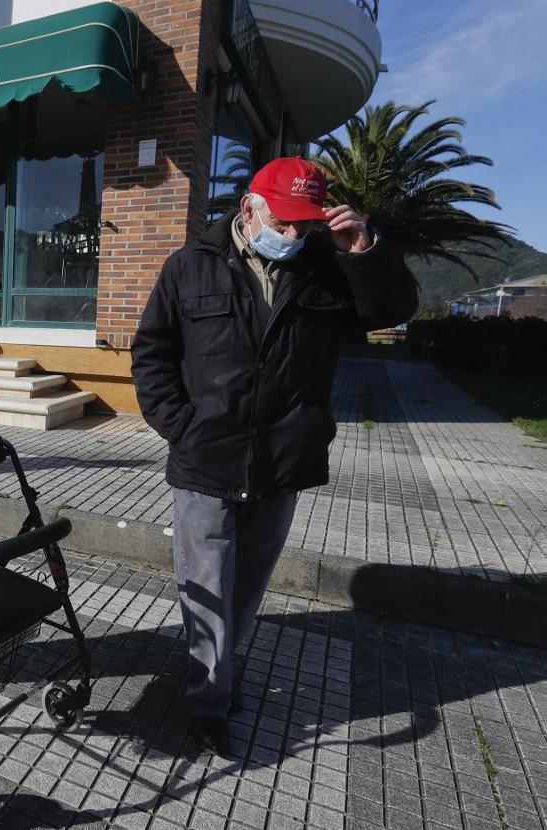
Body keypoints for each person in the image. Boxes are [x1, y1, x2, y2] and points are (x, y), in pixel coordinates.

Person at [130, 157, 418, 755]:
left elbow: (392, 310)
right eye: (283, 222)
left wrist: (363, 249)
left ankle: (221, 675)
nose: (293, 236)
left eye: (304, 225)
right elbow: (152, 354)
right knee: (205, 590)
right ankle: (209, 704)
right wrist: (182, 428)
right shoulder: (189, 266)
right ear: (249, 209)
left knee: (246, 589)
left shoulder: (325, 269)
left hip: (282, 463)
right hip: (205, 463)